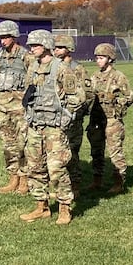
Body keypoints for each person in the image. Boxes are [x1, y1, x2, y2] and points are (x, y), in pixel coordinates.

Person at [18, 30, 86, 224]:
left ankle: (65, 208)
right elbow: (28, 93)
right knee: (35, 167)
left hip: (54, 128)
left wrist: (66, 119)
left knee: (57, 168)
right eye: (31, 46)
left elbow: (78, 97)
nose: (32, 49)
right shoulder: (32, 67)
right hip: (35, 126)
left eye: (36, 45)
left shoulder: (61, 68)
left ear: (46, 45)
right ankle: (42, 206)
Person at [87, 42, 133, 195]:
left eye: (101, 57)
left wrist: (116, 104)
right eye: (97, 58)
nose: (98, 60)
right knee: (96, 151)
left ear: (110, 58)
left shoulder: (118, 77)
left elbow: (130, 96)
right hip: (97, 120)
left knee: (115, 152)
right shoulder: (94, 77)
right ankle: (97, 180)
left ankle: (118, 182)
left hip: (112, 120)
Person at [0, 21, 33, 195]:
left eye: (6, 37)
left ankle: (24, 179)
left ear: (14, 36)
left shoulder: (25, 55)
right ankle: (13, 177)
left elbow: (33, 79)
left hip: (20, 107)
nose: (3, 41)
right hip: (2, 106)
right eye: (1, 37)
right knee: (8, 144)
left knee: (22, 143)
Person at [52, 34, 90, 192]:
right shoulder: (55, 67)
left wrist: (74, 113)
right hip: (55, 117)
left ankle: (75, 185)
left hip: (72, 118)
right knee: (58, 152)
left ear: (69, 49)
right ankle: (62, 186)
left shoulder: (77, 68)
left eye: (60, 48)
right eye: (55, 47)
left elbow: (86, 93)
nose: (56, 50)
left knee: (72, 152)